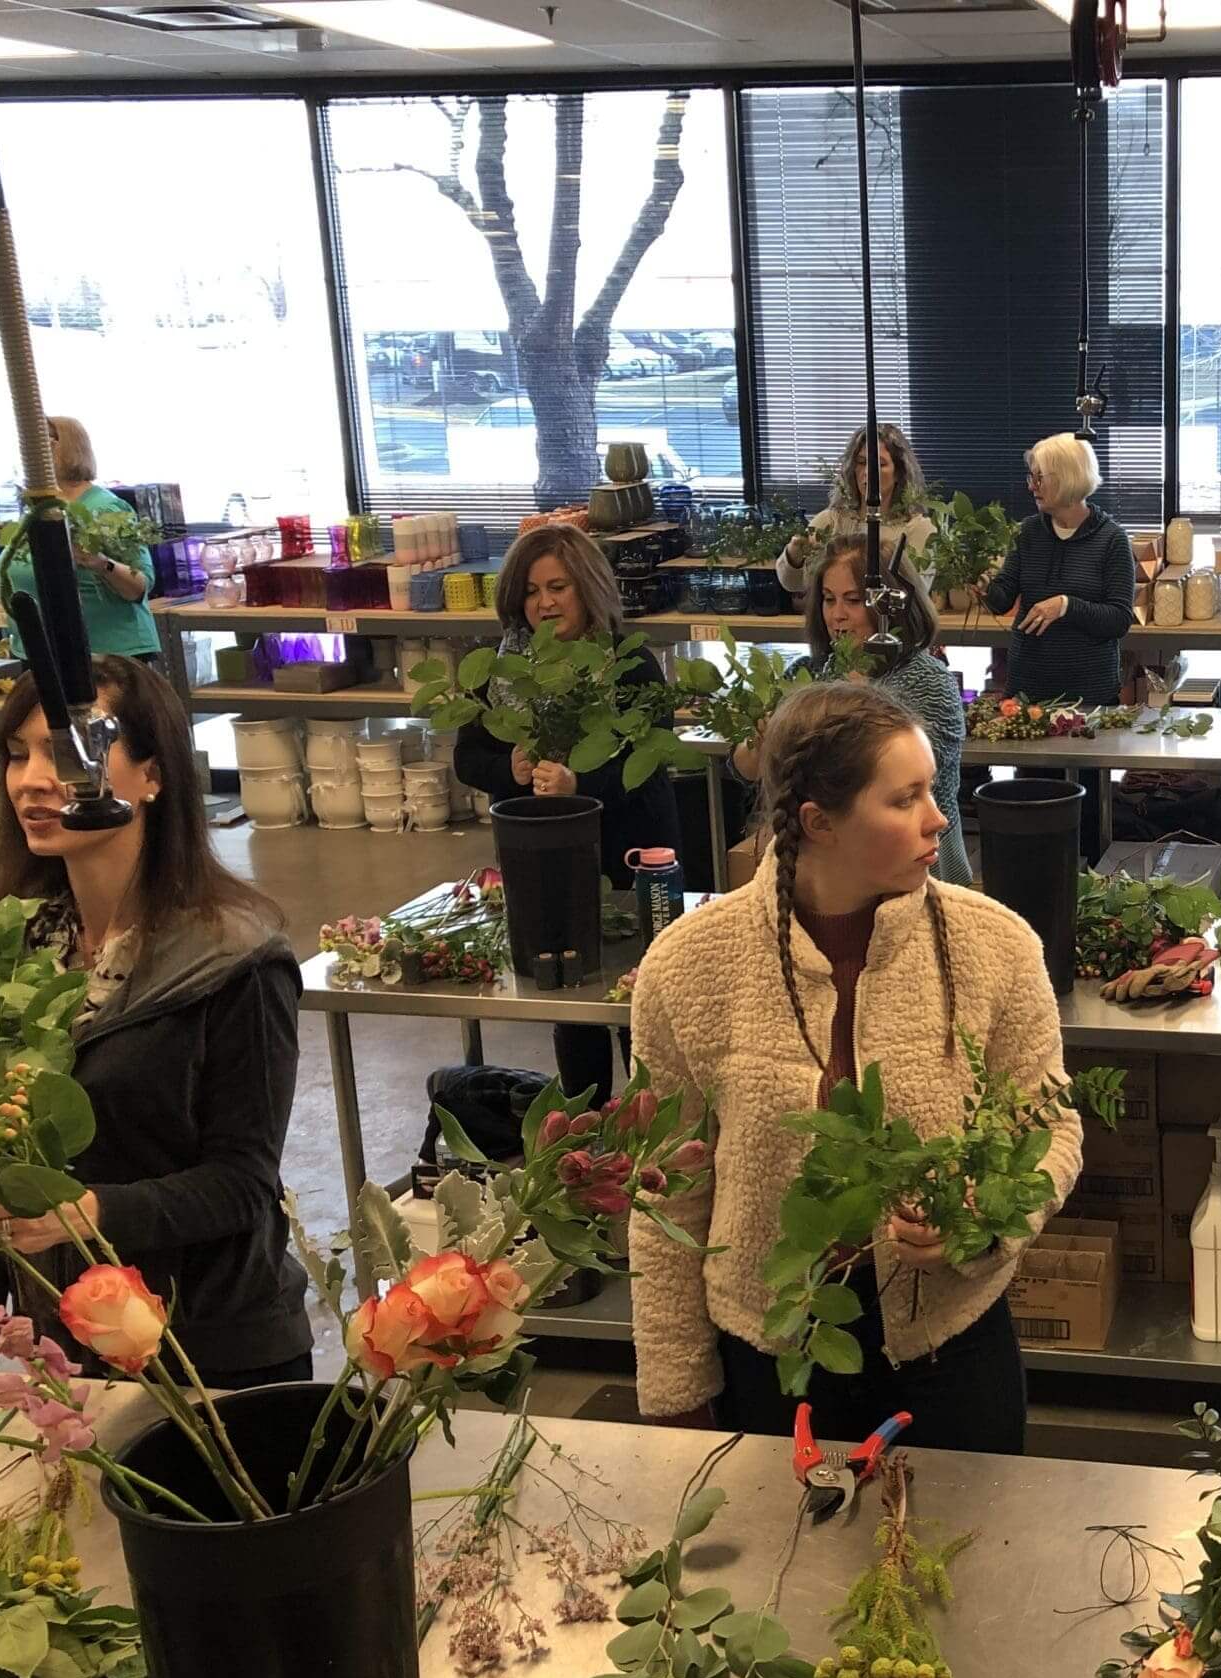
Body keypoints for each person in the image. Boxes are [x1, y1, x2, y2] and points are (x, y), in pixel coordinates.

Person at [627, 681, 1079, 1453]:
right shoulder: (689, 968)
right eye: (904, 800)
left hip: (952, 1342)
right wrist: (675, 1396)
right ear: (818, 822)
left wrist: (984, 1216)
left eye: (930, 791)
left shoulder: (994, 946)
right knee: (791, 1566)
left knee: (961, 1566)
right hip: (775, 1353)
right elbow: (667, 1196)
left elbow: (1050, 1125)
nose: (938, 817)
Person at [0, 657, 310, 1386]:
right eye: (18, 756)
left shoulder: (235, 962)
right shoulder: (10, 948)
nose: (32, 779)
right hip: (65, 1344)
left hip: (210, 1350)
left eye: (66, 751)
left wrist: (92, 1211)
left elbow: (243, 1183)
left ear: (152, 775)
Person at [453, 523, 680, 1103]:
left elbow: (644, 758)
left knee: (641, 1000)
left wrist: (581, 781)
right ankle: (586, 1135)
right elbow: (467, 758)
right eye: (531, 591)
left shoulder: (629, 667)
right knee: (569, 999)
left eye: (558, 587)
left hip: (635, 851)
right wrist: (512, 767)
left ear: (588, 589)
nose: (544, 602)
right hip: (551, 861)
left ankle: (649, 1133)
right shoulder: (502, 672)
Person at [734, 539, 973, 885]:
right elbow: (747, 769)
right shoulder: (808, 674)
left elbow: (889, 781)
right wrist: (763, 739)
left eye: (854, 600)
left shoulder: (928, 682)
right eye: (829, 600)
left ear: (892, 605)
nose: (837, 615)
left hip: (918, 869)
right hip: (830, 876)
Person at [984, 432, 1136, 705]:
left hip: (1089, 695)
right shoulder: (1027, 532)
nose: (1032, 487)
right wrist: (984, 585)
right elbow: (1002, 599)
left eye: (1040, 478)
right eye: (1031, 478)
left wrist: (1066, 606)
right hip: (1026, 691)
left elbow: (1119, 620)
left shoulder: (1111, 540)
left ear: (1067, 477)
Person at [0, 416, 161, 661]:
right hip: (39, 653)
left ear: (69, 449)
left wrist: (101, 563)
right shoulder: (39, 510)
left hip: (106, 657)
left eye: (44, 444)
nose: (32, 453)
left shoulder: (106, 508)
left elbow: (139, 586)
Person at [776, 424, 938, 597]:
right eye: (861, 463)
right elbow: (792, 584)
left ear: (898, 472)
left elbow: (915, 593)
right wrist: (795, 555)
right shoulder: (830, 521)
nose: (868, 472)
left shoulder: (918, 528)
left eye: (880, 464)